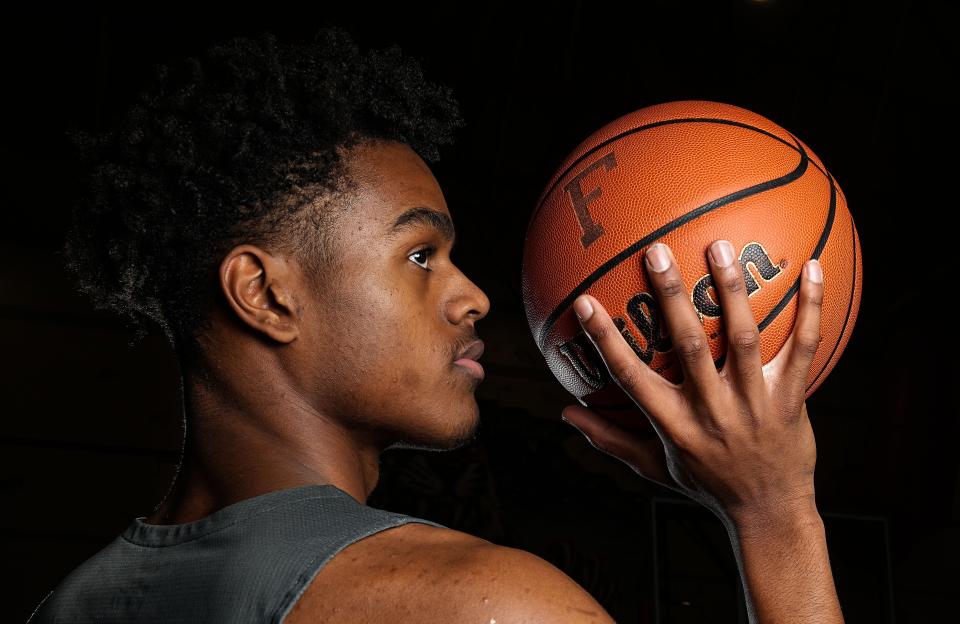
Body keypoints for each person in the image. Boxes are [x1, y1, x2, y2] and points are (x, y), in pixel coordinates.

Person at [29, 26, 843, 623]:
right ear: (264, 294)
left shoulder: (65, 607)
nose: (475, 299)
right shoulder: (484, 605)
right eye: (421, 255)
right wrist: (773, 515)